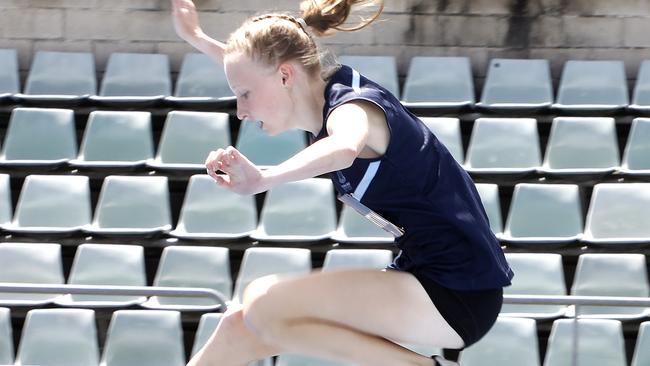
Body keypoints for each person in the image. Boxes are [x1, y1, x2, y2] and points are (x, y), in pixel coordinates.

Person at [171, 0, 514, 365]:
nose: (240, 110)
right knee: (239, 327)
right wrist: (195, 37)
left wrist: (265, 178)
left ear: (286, 76)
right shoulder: (311, 88)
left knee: (264, 303)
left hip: (457, 291)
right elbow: (255, 71)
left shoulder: (353, 107)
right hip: (425, 277)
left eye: (244, 95)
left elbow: (345, 147)